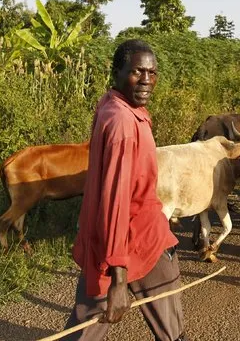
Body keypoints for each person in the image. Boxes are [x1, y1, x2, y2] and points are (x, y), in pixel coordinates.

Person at [62, 39, 188, 341]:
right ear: (116, 72)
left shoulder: (113, 103)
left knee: (88, 321)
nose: (146, 80)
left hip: (117, 237)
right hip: (135, 238)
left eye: (152, 73)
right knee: (169, 327)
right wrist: (119, 277)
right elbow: (116, 202)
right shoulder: (122, 125)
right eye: (136, 72)